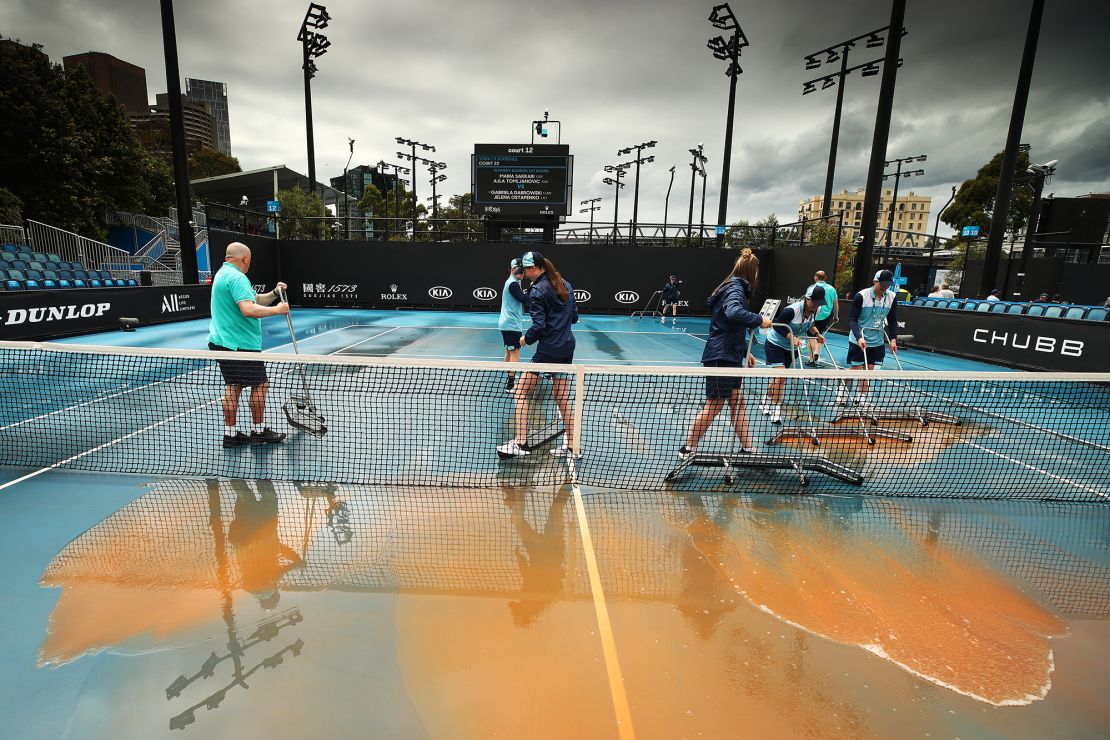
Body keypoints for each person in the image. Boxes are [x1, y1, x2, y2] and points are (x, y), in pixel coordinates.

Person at [679, 249, 772, 460]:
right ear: (752, 272)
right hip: (721, 356)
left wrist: (744, 350)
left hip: (731, 354)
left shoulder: (733, 287)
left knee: (737, 401)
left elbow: (731, 324)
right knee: (716, 404)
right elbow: (733, 313)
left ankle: (748, 448)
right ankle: (688, 447)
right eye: (756, 272)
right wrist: (759, 320)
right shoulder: (736, 289)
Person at [497, 252, 580, 458]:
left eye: (525, 270)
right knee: (562, 399)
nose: (523, 274)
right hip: (567, 347)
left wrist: (526, 339)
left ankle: (521, 443)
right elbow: (575, 316)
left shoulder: (536, 291)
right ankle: (572, 447)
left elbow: (539, 326)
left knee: (520, 392)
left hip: (548, 350)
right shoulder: (565, 284)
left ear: (533, 268)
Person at [208, 242, 289, 448]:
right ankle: (259, 432)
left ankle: (230, 434)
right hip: (240, 344)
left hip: (221, 342)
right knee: (260, 384)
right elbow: (248, 309)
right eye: (249, 259)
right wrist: (278, 310)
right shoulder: (237, 277)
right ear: (245, 258)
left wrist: (274, 293)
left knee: (233, 387)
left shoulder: (222, 274)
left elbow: (255, 300)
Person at [762, 286, 826, 424]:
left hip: (790, 348)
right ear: (808, 299)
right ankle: (777, 410)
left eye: (819, 303)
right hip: (775, 345)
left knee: (780, 379)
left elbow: (810, 325)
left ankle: (766, 399)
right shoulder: (792, 310)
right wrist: (792, 337)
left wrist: (817, 334)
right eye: (815, 302)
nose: (816, 306)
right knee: (781, 376)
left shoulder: (815, 310)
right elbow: (778, 326)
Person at [838, 269, 898, 407]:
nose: (885, 287)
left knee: (868, 370)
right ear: (875, 281)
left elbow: (893, 320)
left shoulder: (892, 297)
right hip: (859, 338)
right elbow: (853, 320)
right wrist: (859, 338)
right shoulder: (861, 296)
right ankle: (842, 384)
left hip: (877, 340)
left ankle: (862, 396)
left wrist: (893, 339)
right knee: (857, 369)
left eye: (888, 284)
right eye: (882, 284)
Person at [498, 258, 528, 393]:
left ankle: (510, 377)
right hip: (511, 324)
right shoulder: (513, 284)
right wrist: (534, 290)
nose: (522, 274)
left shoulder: (515, 282)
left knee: (509, 351)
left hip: (507, 323)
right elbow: (524, 299)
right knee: (515, 351)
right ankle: (510, 384)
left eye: (523, 272)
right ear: (512, 270)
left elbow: (520, 296)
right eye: (520, 271)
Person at [805, 271, 838, 366]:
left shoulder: (811, 288)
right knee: (819, 335)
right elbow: (835, 304)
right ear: (825, 277)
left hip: (813, 315)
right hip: (826, 316)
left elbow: (807, 302)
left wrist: (805, 316)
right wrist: (835, 316)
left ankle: (813, 357)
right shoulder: (832, 289)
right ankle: (814, 357)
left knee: (811, 336)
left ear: (816, 278)